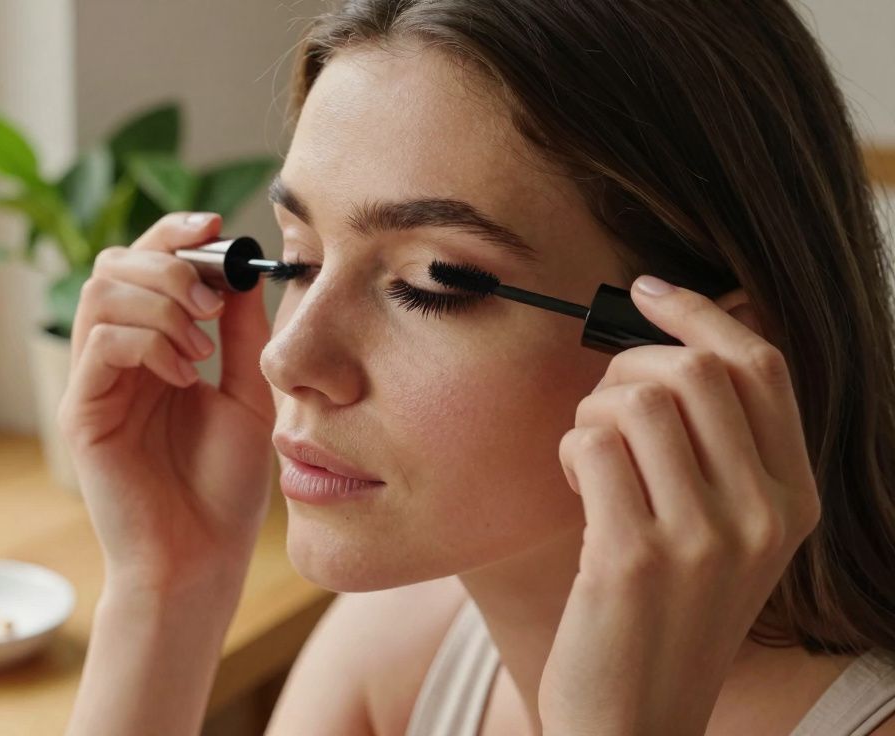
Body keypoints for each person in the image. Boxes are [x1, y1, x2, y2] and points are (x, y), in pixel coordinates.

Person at [58, 1, 895, 733]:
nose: (290, 357)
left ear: (704, 351)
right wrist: (167, 588)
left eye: (432, 285)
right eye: (302, 258)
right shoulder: (402, 645)